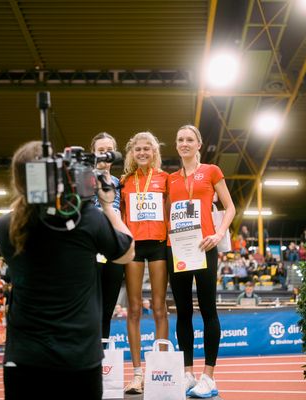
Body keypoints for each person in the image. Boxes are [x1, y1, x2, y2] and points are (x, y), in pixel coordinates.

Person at [0, 140, 134, 400]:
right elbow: (128, 252)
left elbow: (32, 214)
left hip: (24, 358)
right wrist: (107, 206)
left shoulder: (6, 226)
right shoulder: (87, 218)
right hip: (79, 357)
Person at [166, 125, 235, 398]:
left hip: (205, 246)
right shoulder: (170, 179)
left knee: (208, 311)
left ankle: (208, 377)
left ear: (199, 144)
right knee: (183, 313)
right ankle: (187, 374)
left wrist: (218, 234)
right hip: (178, 249)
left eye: (189, 139)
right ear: (176, 145)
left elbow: (230, 207)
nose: (184, 143)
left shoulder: (212, 171)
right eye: (180, 139)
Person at [119, 131, 169, 394]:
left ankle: (160, 370)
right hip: (133, 247)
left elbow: (173, 210)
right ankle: (137, 374)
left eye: (147, 149)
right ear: (131, 152)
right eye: (137, 149)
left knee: (160, 307)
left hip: (159, 245)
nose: (142, 153)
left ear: (154, 152)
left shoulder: (165, 179)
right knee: (135, 309)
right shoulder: (124, 181)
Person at [90, 132, 126, 342]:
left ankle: (100, 363)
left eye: (109, 150)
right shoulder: (83, 178)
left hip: (114, 250)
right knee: (89, 309)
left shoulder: (118, 182)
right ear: (93, 153)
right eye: (100, 150)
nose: (105, 155)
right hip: (91, 250)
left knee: (107, 310)